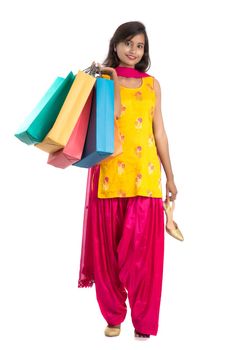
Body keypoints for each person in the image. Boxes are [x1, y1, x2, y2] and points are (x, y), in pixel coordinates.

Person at [77, 21, 178, 340]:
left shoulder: (153, 85)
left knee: (143, 258)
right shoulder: (103, 79)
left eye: (140, 46)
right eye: (128, 43)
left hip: (146, 179)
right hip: (108, 176)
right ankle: (114, 316)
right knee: (107, 255)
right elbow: (113, 111)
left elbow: (158, 132)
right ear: (116, 44)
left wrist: (171, 176)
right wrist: (106, 75)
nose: (134, 51)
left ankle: (144, 322)